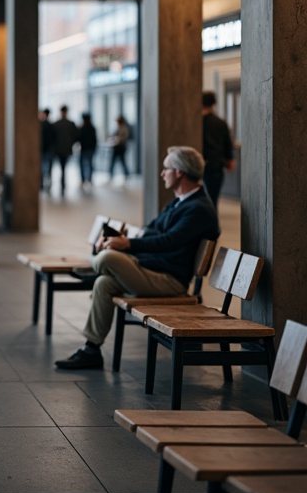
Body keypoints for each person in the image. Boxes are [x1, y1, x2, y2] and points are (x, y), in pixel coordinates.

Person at [55, 145, 220, 370]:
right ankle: (91, 350)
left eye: (166, 169)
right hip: (152, 270)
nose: (162, 173)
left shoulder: (198, 208)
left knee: (107, 259)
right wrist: (126, 241)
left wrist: (128, 244)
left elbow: (168, 241)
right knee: (104, 283)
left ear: (179, 172)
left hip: (169, 281)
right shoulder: (180, 201)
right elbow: (152, 231)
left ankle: (88, 269)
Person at [202, 90, 235, 206]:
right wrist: (230, 160)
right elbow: (228, 143)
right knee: (212, 201)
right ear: (213, 104)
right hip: (216, 166)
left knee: (201, 201)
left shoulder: (198, 123)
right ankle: (212, 222)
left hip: (201, 164)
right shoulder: (221, 123)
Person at [51, 105, 78, 194]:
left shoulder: (56, 124)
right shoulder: (70, 124)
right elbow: (75, 136)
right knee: (63, 167)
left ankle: (62, 182)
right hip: (66, 149)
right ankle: (62, 183)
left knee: (62, 167)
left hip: (59, 149)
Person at [77, 112, 97, 189]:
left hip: (84, 148)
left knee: (82, 165)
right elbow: (95, 140)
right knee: (90, 164)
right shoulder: (92, 127)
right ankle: (89, 179)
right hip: (90, 149)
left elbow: (79, 138)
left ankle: (83, 180)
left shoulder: (82, 128)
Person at [109, 115, 131, 180]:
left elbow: (124, 137)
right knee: (113, 161)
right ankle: (111, 174)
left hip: (121, 146)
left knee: (122, 161)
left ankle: (126, 174)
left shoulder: (124, 128)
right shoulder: (117, 128)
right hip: (116, 147)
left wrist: (118, 139)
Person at [39, 108, 54, 191]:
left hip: (43, 149)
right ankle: (48, 183)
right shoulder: (51, 125)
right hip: (48, 149)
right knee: (48, 168)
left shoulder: (41, 124)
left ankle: (41, 183)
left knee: (42, 167)